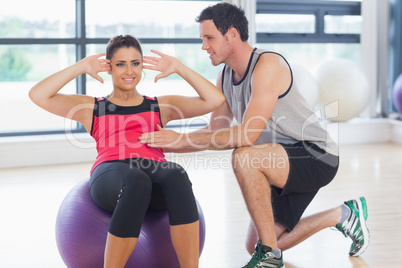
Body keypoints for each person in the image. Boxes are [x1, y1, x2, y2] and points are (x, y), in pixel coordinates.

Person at [139, 3, 370, 268]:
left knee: (245, 157)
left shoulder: (267, 64)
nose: (204, 46)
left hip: (316, 154)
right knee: (258, 243)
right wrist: (159, 144)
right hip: (275, 160)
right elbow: (216, 131)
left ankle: (270, 257)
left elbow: (247, 134)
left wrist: (178, 140)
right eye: (202, 39)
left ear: (232, 34)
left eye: (209, 38)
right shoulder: (224, 76)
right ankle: (344, 214)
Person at [29, 34, 225, 268]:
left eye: (135, 63)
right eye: (120, 64)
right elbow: (37, 95)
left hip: (153, 173)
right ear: (109, 68)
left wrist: (179, 67)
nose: (129, 71)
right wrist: (81, 66)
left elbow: (215, 99)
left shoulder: (159, 106)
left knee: (176, 173)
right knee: (136, 179)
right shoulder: (92, 107)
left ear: (142, 66)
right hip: (111, 174)